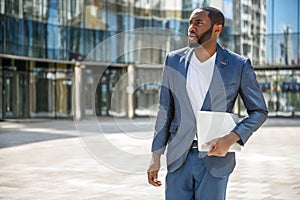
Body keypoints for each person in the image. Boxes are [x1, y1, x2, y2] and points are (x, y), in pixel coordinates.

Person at [147, 6, 268, 200]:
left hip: (216, 158)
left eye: (199, 23)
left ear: (217, 29)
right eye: (190, 23)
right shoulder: (173, 60)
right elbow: (165, 110)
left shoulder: (238, 65)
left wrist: (231, 138)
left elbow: (259, 111)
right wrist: (156, 156)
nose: (191, 28)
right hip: (179, 156)